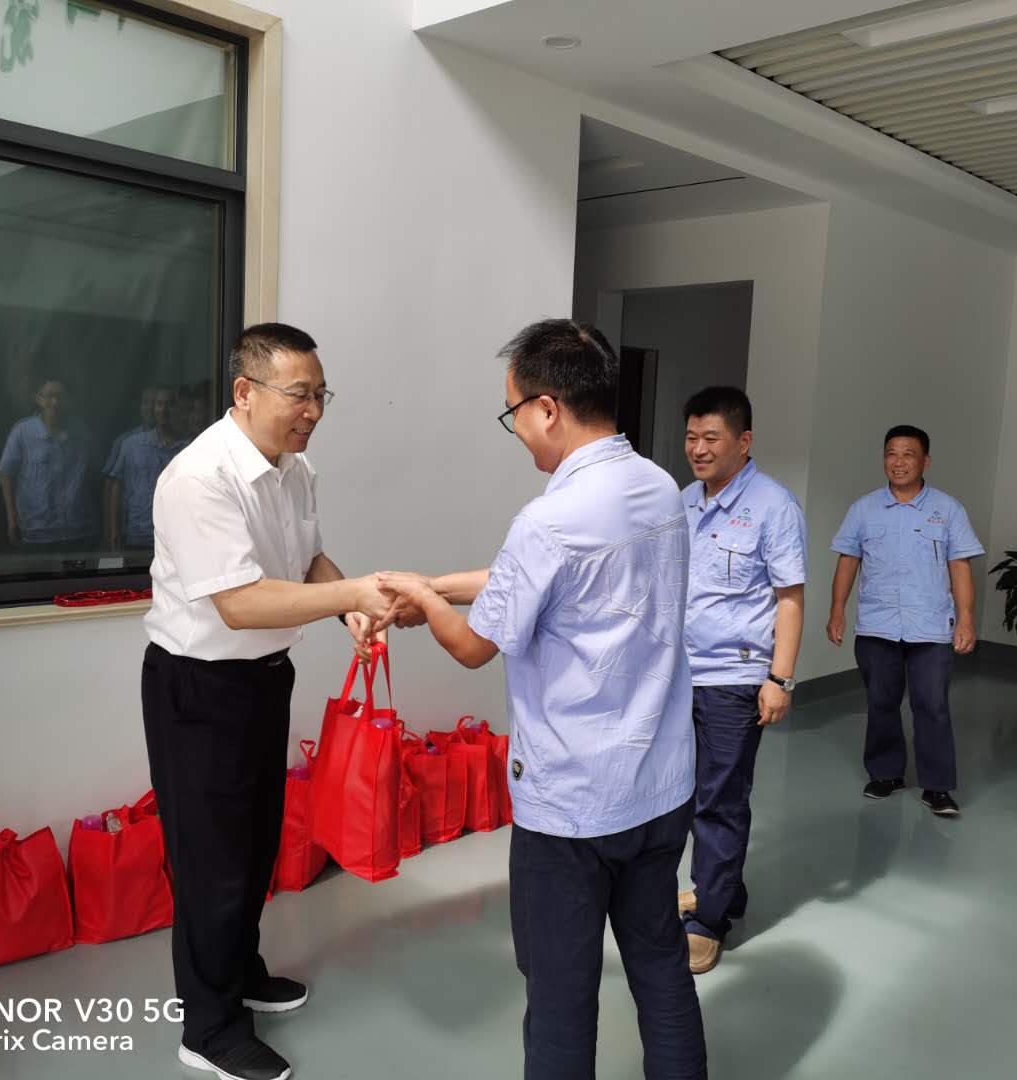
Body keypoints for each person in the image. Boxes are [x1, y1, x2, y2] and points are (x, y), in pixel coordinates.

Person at [378, 319, 708, 1079]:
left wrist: (423, 603)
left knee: (560, 997)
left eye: (514, 412)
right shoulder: (659, 488)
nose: (518, 430)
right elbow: (535, 580)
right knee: (660, 965)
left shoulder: (549, 519)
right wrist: (432, 586)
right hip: (659, 786)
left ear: (548, 408)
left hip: (572, 807)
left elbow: (473, 646)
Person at [142, 322, 391, 1080]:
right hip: (199, 688)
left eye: (321, 396)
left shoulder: (294, 468)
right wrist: (355, 594)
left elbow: (307, 559)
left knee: (253, 845)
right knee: (210, 859)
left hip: (263, 679)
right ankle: (209, 1029)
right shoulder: (198, 478)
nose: (313, 411)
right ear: (245, 392)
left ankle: (240, 973)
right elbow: (241, 603)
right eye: (299, 395)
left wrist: (345, 605)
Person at [675, 386, 805, 975]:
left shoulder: (774, 506)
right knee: (685, 792)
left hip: (735, 677)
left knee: (720, 798)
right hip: (682, 673)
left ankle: (708, 921)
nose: (698, 449)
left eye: (711, 438)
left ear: (743, 441)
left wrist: (781, 678)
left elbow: (789, 599)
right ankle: (723, 889)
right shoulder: (684, 502)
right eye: (691, 437)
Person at [826, 425, 983, 817]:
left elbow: (960, 567)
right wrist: (837, 610)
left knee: (932, 705)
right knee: (881, 702)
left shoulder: (948, 509)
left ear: (925, 461)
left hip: (931, 627)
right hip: (877, 625)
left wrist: (966, 619)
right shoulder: (863, 509)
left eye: (908, 454)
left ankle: (937, 786)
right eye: (891, 453)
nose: (898, 462)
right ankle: (885, 774)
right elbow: (848, 561)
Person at [0, 378, 97, 550]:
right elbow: (6, 474)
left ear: (69, 400)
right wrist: (11, 519)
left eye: (60, 397)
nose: (55, 402)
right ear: (38, 399)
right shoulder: (22, 432)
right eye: (49, 396)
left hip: (77, 529)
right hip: (35, 530)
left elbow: (93, 474)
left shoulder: (81, 432)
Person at [107, 385, 185, 551]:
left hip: (176, 536)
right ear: (153, 409)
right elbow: (116, 486)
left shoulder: (189, 448)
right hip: (137, 532)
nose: (164, 410)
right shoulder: (131, 445)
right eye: (159, 404)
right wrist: (114, 527)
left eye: (170, 404)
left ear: (179, 409)